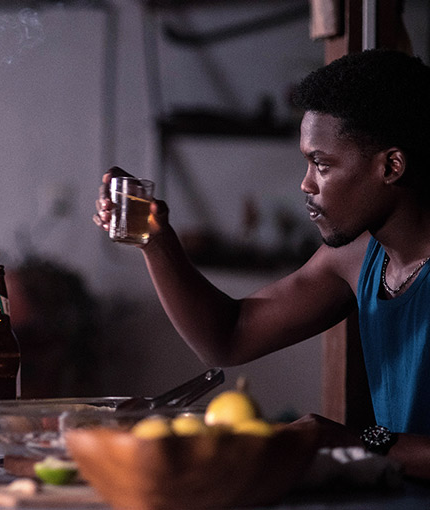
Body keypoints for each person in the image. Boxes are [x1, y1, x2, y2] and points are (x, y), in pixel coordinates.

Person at [94, 49, 430, 479]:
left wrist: (355, 442)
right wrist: (156, 239)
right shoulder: (358, 257)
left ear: (391, 166)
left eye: (321, 164)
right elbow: (229, 336)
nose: (306, 183)